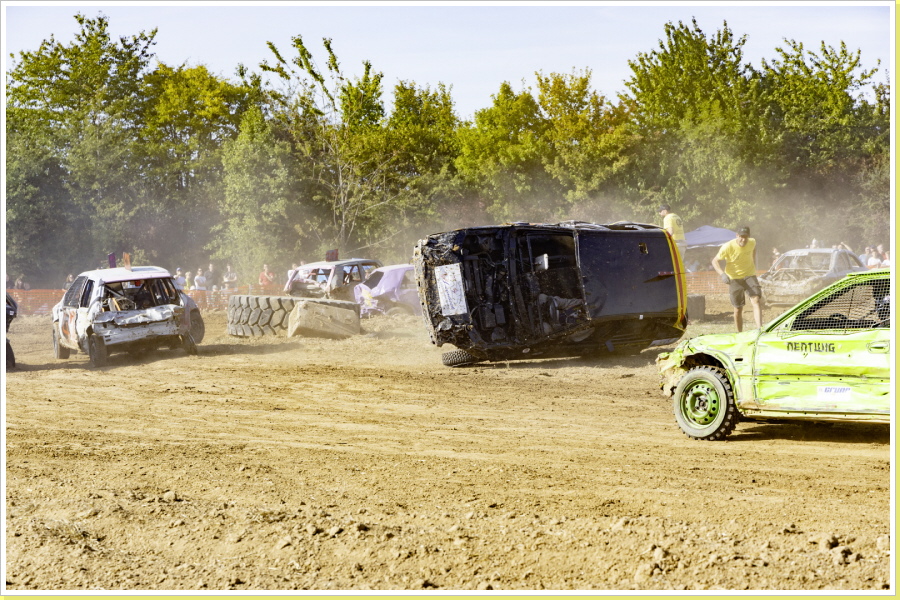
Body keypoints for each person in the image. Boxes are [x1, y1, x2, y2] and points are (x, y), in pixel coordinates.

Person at [712, 226, 762, 332]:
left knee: (756, 299)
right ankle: (739, 333)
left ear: (749, 237)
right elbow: (714, 261)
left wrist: (753, 262)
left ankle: (760, 329)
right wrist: (722, 274)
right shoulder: (727, 246)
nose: (743, 240)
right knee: (738, 308)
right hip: (734, 278)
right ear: (737, 235)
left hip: (749, 275)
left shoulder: (752, 242)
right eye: (741, 237)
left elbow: (754, 249)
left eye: (746, 237)